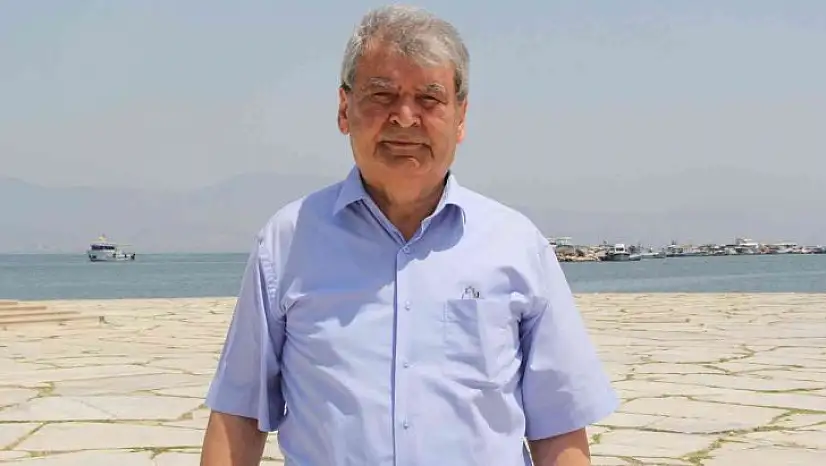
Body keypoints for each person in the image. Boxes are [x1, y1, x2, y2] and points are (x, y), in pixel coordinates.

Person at [200, 5, 617, 466]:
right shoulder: (286, 243)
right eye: (381, 95)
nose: (404, 118)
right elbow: (239, 416)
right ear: (344, 109)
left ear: (461, 117)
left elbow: (559, 429)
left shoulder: (516, 246)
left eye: (429, 99)